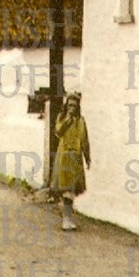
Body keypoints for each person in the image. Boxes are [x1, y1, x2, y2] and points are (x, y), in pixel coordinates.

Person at [51, 92, 90, 231]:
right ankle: (66, 219)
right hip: (64, 157)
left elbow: (85, 140)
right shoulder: (62, 117)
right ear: (66, 106)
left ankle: (67, 218)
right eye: (70, 105)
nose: (72, 108)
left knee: (72, 190)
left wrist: (87, 157)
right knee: (65, 189)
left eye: (75, 105)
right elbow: (58, 131)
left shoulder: (81, 121)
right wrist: (67, 119)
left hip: (75, 158)